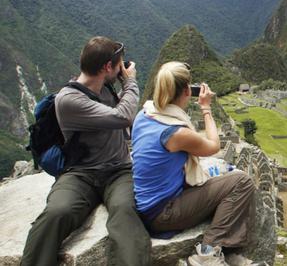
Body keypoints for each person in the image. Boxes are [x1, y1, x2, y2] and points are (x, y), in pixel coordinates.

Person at [21, 37, 151, 265]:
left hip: (118, 171)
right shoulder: (69, 99)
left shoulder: (105, 86)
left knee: (126, 212)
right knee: (56, 213)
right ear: (107, 67)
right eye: (118, 65)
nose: (123, 69)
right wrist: (130, 82)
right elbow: (123, 117)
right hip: (80, 173)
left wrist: (120, 83)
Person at [131, 61, 255, 266]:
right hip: (163, 213)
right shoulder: (175, 133)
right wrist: (206, 108)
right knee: (241, 181)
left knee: (218, 172)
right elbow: (214, 145)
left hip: (148, 204)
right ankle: (207, 253)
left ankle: (230, 252)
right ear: (188, 90)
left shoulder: (144, 114)